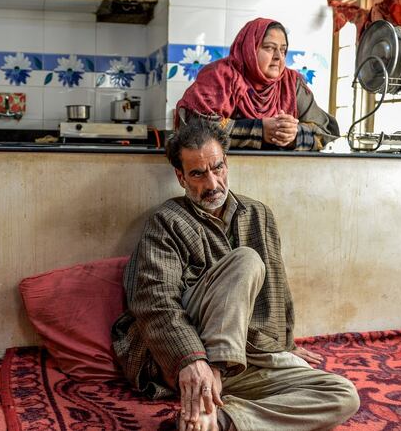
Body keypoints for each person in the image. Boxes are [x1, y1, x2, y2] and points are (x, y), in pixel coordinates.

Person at [111, 119, 359, 431]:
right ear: (181, 177)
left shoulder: (258, 214)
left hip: (243, 356)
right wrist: (193, 359)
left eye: (217, 168)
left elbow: (276, 289)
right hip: (182, 355)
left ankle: (222, 420)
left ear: (227, 163)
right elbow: (153, 301)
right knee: (246, 261)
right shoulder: (166, 222)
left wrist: (285, 345)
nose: (212, 183)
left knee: (342, 394)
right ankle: (211, 372)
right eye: (198, 174)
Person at [176, 18, 339, 151]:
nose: (278, 57)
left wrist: (293, 135)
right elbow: (195, 128)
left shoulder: (290, 82)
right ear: (249, 49)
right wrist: (259, 130)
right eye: (269, 48)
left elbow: (324, 131)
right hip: (222, 177)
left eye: (283, 50)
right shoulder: (220, 76)